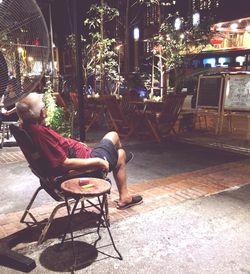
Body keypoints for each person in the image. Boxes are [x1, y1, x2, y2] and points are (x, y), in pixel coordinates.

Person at [16, 92, 143, 210]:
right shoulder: (39, 134)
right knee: (117, 144)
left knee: (115, 143)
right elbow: (64, 163)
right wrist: (99, 162)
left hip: (82, 153)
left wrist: (76, 144)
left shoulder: (29, 127)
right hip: (87, 159)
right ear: (37, 112)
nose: (45, 108)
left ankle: (115, 161)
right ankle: (121, 181)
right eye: (43, 107)